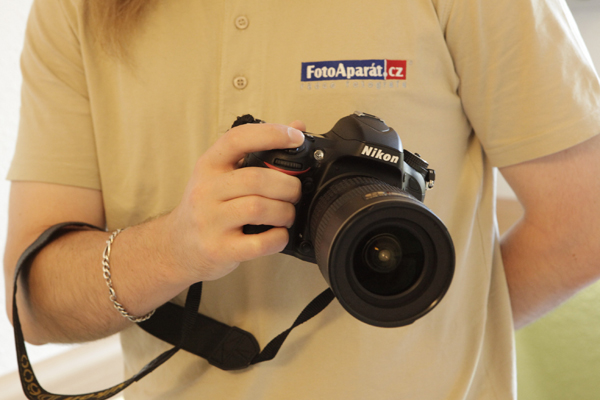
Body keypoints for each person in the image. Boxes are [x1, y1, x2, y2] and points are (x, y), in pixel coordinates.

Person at [4, 0, 600, 398]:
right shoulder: (77, 9)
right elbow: (34, 301)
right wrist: (174, 250)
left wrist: (416, 302)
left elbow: (585, 220)